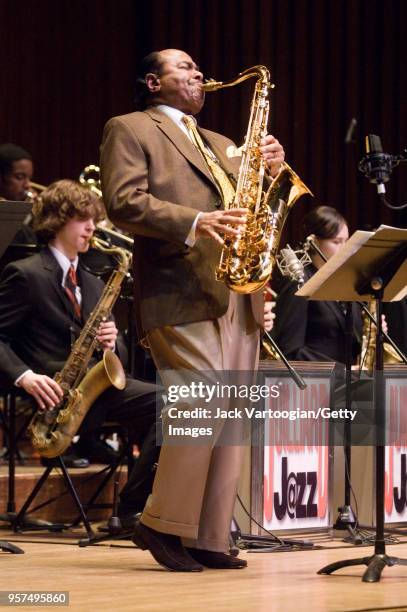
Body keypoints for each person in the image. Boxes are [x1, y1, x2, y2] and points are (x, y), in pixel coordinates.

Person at [100, 48, 285, 571]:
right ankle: (158, 523)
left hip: (237, 293)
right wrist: (195, 221)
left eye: (198, 67)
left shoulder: (225, 144)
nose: (198, 73)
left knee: (230, 418)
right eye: (183, 67)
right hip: (180, 288)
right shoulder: (131, 127)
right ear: (152, 82)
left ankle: (206, 534)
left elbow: (251, 213)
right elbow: (123, 201)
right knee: (199, 406)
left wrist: (271, 172)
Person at [0, 179, 161, 521]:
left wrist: (112, 341)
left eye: (94, 219)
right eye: (82, 219)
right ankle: (134, 510)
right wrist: (25, 377)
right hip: (51, 395)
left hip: (94, 392)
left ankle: (135, 509)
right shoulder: (25, 275)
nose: (92, 227)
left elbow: (120, 360)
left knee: (180, 406)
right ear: (57, 221)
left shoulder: (93, 281)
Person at [272, 205, 363, 363]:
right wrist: (343, 372)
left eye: (346, 241)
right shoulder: (299, 282)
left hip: (350, 382)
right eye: (336, 242)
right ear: (314, 241)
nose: (345, 249)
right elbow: (290, 350)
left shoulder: (345, 283)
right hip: (316, 383)